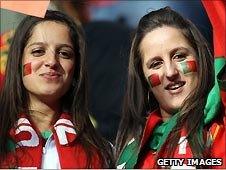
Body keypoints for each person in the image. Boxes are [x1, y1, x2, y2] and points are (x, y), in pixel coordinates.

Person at [0, 10, 113, 168]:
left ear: (76, 70)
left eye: (64, 53)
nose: (52, 61)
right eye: (38, 51)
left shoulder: (103, 153)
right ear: (17, 62)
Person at [115, 7, 226, 169]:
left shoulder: (220, 124)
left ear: (199, 57)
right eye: (156, 64)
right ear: (143, 78)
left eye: (179, 56)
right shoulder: (129, 153)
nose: (170, 72)